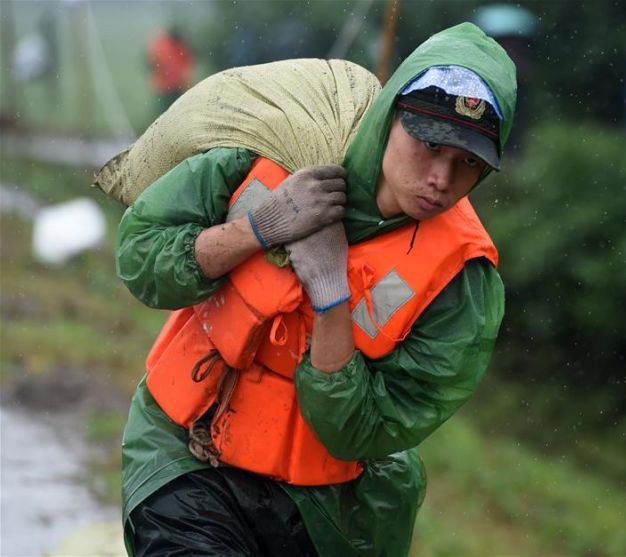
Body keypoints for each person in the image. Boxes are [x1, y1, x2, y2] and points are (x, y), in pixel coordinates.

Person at [116, 23, 516, 557]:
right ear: (389, 116)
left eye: (468, 163)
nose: (441, 179)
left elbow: (366, 431)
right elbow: (139, 257)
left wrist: (332, 297)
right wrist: (257, 228)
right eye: (428, 144)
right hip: (183, 451)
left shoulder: (463, 279)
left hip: (324, 510)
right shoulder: (277, 145)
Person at [147, 27, 194, 113]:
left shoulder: (180, 48)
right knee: (169, 111)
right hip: (167, 86)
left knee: (173, 111)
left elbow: (187, 65)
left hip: (175, 86)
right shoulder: (166, 47)